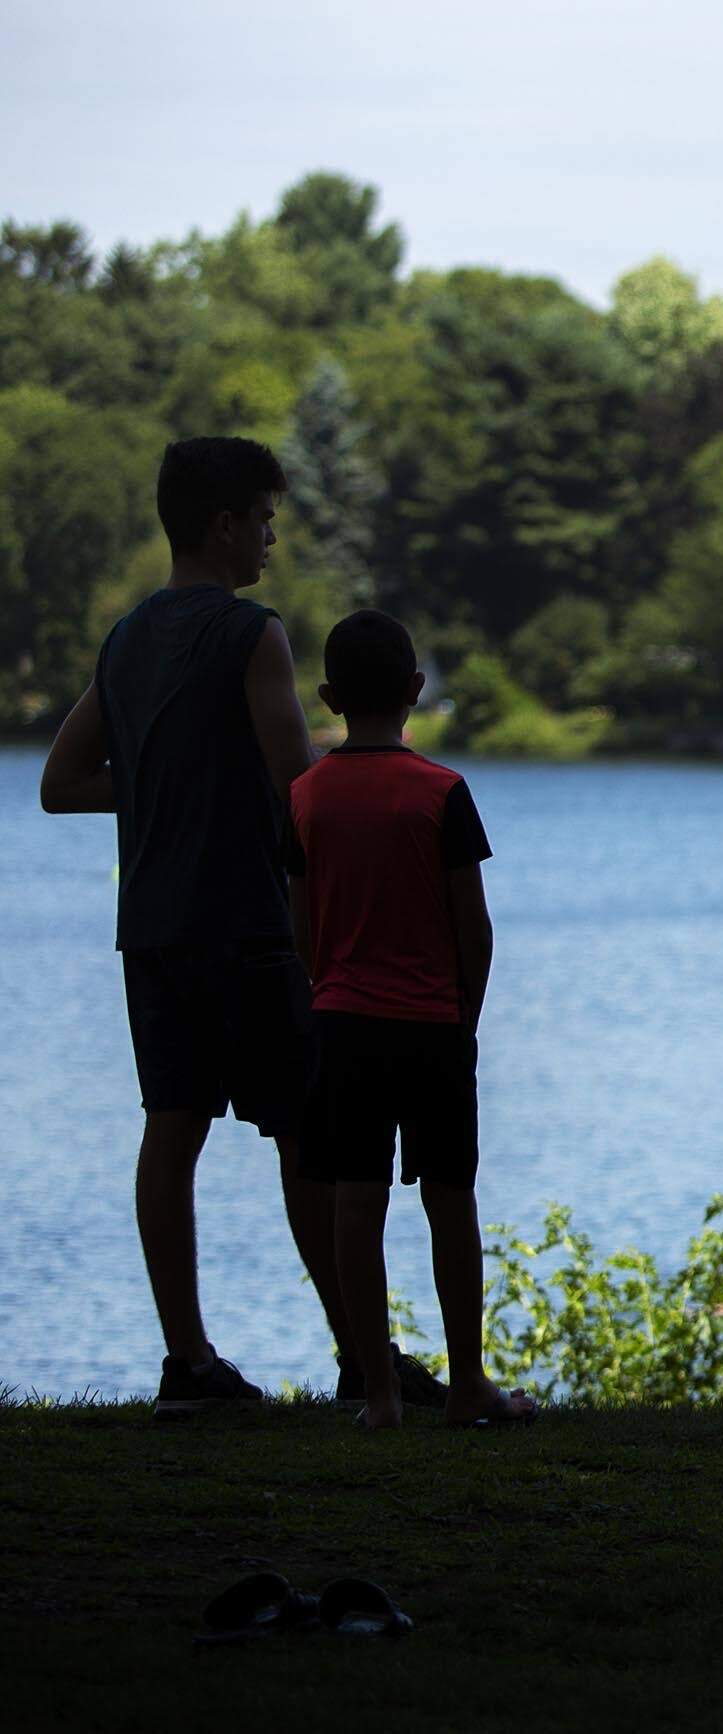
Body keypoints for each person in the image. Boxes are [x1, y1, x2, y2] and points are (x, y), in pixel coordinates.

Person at [37, 437, 358, 1414]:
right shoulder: (251, 633)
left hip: (154, 926)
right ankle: (363, 1357)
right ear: (223, 525)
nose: (269, 538)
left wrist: (162, 788)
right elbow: (298, 787)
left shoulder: (127, 639)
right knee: (302, 1131)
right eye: (263, 519)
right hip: (249, 926)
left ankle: (188, 1361)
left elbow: (62, 783)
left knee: (171, 1129)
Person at [287, 610, 537, 1430]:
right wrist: (466, 1016)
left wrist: (327, 984)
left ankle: (382, 1395)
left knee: (353, 1208)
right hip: (434, 1025)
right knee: (450, 1201)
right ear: (415, 692)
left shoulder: (305, 796)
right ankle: (468, 1382)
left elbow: (299, 920)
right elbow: (475, 927)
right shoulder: (443, 793)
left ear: (327, 696)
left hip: (343, 1024)